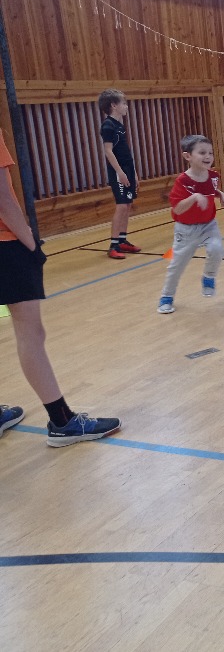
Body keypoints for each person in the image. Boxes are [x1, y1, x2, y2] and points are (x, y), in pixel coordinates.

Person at [0, 133, 121, 447]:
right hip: (4, 245)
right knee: (30, 332)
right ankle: (62, 421)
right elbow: (2, 197)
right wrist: (30, 243)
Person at [157, 135, 224, 314]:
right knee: (177, 266)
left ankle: (209, 277)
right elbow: (178, 208)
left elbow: (209, 190)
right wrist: (194, 197)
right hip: (186, 230)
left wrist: (221, 194)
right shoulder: (183, 181)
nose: (208, 156)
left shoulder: (213, 176)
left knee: (217, 249)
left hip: (209, 225)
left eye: (210, 153)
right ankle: (166, 296)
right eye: (202, 153)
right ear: (187, 156)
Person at [98, 89, 141, 259]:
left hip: (127, 169)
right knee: (121, 205)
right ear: (113, 105)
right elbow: (108, 151)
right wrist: (120, 172)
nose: (126, 106)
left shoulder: (119, 125)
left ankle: (122, 240)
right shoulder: (108, 125)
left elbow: (126, 152)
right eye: (123, 103)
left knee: (128, 204)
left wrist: (133, 172)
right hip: (119, 171)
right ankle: (113, 245)